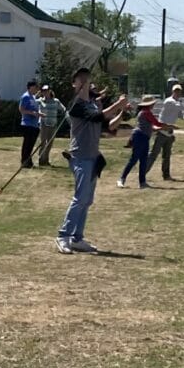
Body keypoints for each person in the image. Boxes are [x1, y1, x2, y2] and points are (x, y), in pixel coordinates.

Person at [56, 68, 128, 254]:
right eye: (79, 79)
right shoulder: (76, 105)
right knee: (80, 198)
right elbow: (98, 117)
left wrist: (120, 111)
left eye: (85, 79)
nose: (83, 81)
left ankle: (77, 238)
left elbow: (106, 125)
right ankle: (63, 236)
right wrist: (118, 105)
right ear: (75, 84)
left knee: (87, 200)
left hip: (93, 157)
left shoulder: (92, 104)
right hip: (80, 157)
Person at [146, 83, 184, 181]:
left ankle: (166, 175)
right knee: (154, 155)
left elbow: (182, 116)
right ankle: (142, 174)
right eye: (176, 91)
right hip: (161, 130)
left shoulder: (177, 103)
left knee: (167, 156)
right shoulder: (169, 101)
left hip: (169, 132)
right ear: (172, 92)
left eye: (179, 91)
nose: (177, 93)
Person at [117, 96, 169, 189]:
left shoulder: (144, 112)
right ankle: (122, 178)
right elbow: (156, 123)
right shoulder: (146, 112)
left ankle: (142, 182)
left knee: (143, 160)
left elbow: (152, 126)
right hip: (140, 137)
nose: (154, 105)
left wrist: (163, 126)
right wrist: (167, 126)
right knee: (134, 159)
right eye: (153, 103)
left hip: (144, 137)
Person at [38, 86, 67, 166]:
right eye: (43, 91)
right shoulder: (40, 100)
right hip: (44, 124)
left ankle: (46, 160)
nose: (45, 92)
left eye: (46, 90)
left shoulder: (56, 101)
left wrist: (66, 112)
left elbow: (63, 108)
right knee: (43, 142)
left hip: (53, 124)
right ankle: (41, 159)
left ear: (49, 91)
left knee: (50, 143)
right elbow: (33, 103)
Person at [19, 79, 41, 167]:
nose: (37, 88)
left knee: (31, 144)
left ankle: (29, 161)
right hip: (27, 123)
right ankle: (24, 161)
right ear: (30, 87)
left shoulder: (33, 97)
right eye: (35, 87)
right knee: (27, 144)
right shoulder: (25, 96)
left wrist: (39, 114)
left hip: (34, 124)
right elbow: (21, 109)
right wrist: (32, 113)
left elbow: (34, 109)